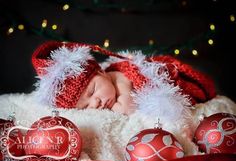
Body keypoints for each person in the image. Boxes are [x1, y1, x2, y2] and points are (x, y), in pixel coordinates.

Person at [32, 41, 216, 117]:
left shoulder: (121, 78)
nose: (95, 103)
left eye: (92, 91)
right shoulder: (106, 84)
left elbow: (128, 107)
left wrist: (114, 106)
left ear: (101, 72)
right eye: (85, 106)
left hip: (170, 79)